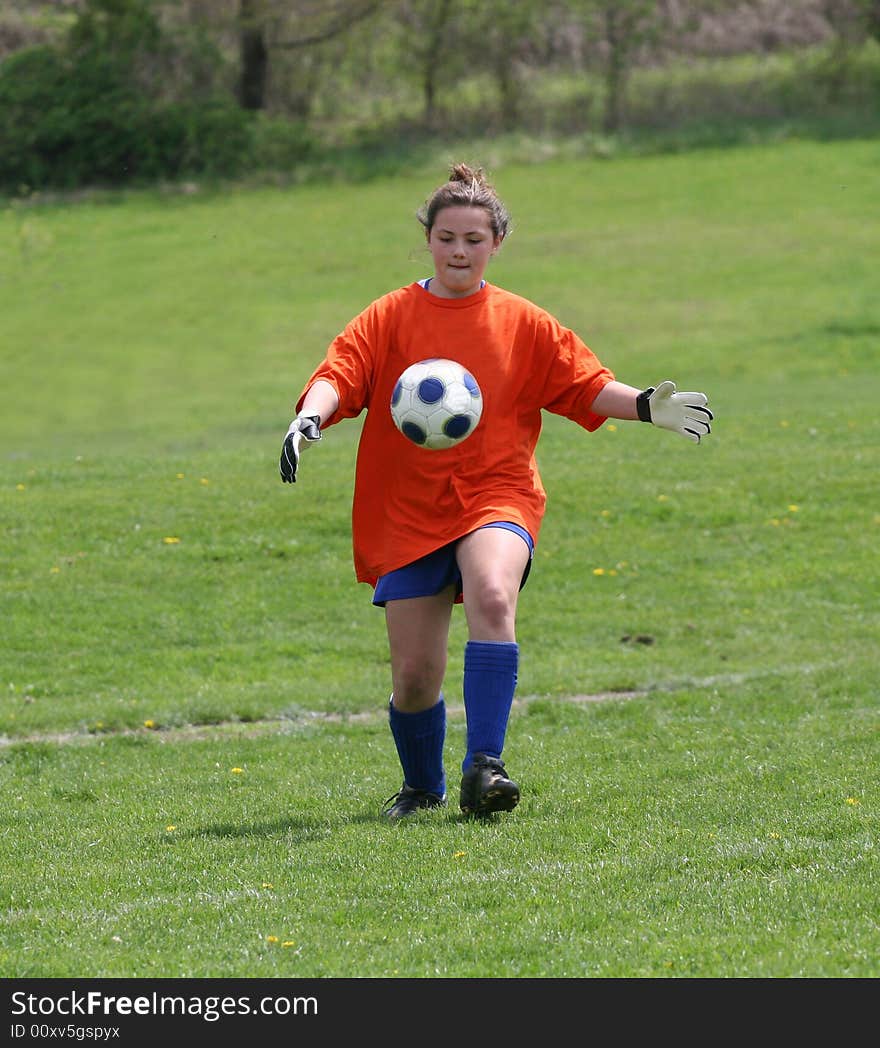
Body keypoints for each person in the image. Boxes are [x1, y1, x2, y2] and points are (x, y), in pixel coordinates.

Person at [279, 163, 713, 821]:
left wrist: (646, 407)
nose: (459, 251)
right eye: (447, 237)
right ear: (429, 238)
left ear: (495, 244)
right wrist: (310, 416)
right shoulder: (391, 315)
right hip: (407, 506)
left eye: (474, 239)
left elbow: (583, 384)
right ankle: (423, 787)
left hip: (496, 493)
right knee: (414, 677)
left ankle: (487, 766)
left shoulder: (521, 321)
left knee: (490, 593)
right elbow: (341, 373)